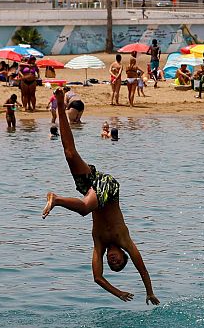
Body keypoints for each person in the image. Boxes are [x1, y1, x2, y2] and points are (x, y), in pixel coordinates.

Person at [42, 88, 159, 305]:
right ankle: (56, 199)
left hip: (92, 189)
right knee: (86, 208)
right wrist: (149, 292)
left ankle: (59, 103)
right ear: (123, 256)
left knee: (69, 154)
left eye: (111, 263)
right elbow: (142, 268)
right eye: (119, 262)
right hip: (108, 188)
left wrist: (119, 293)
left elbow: (97, 277)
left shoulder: (99, 243)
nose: (114, 261)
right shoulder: (124, 240)